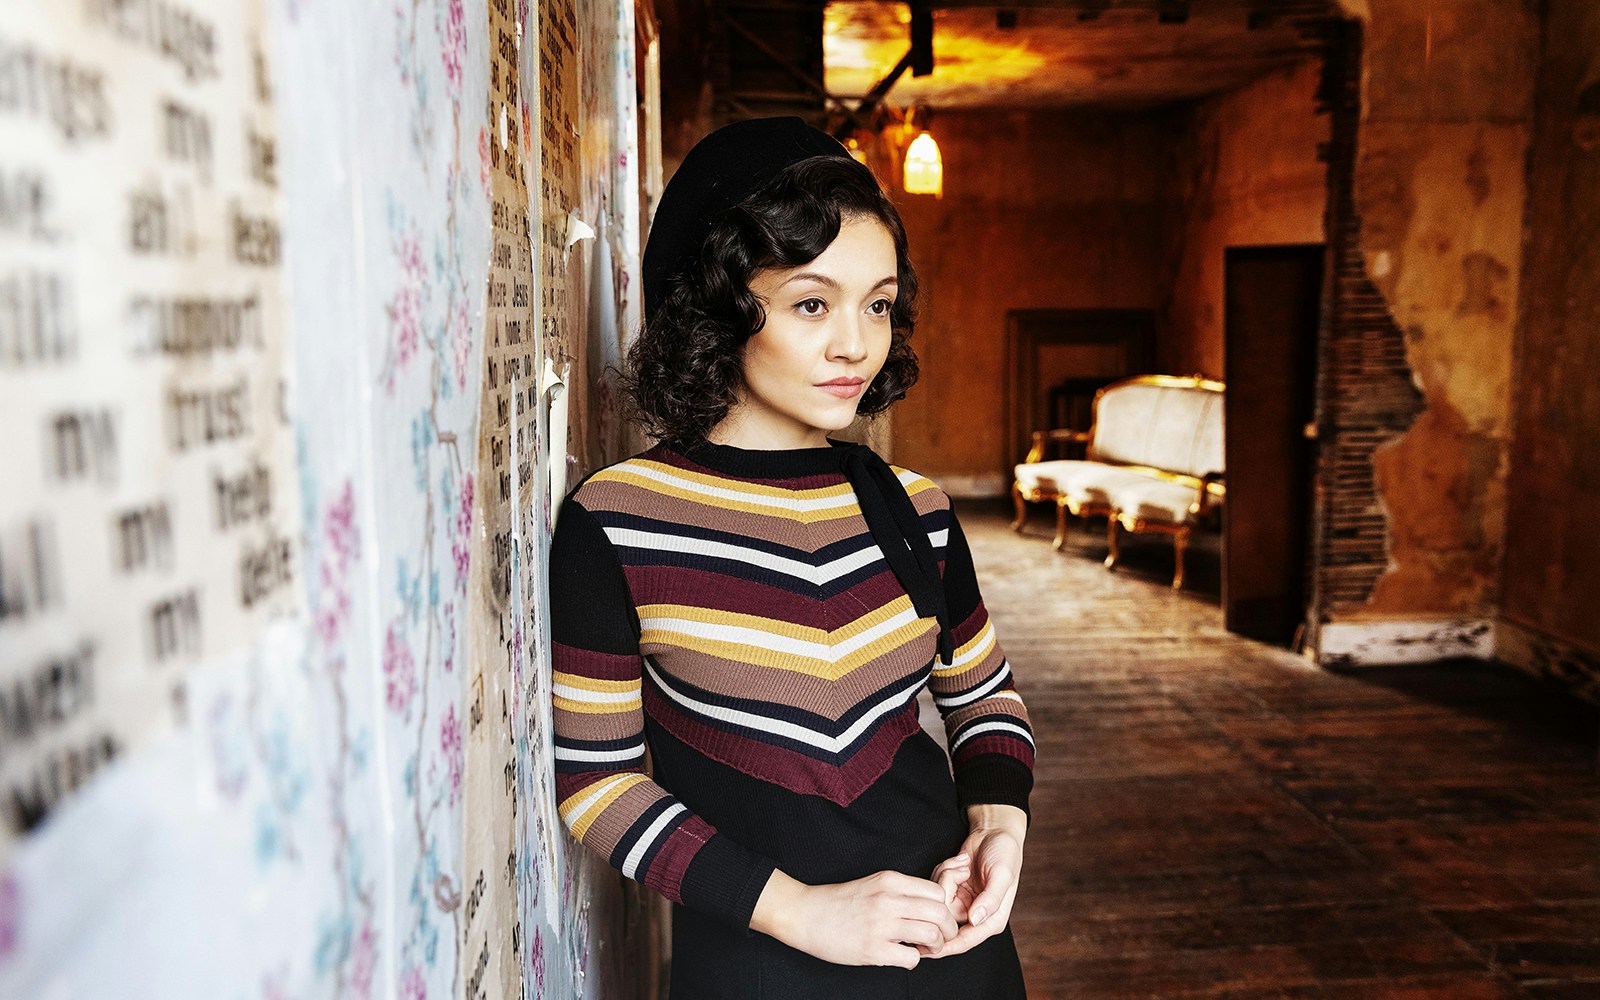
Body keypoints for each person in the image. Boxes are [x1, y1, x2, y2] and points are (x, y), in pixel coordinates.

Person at [548, 115, 1036, 999]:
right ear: (717, 305)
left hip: (951, 948)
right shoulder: (617, 523)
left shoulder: (916, 510)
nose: (857, 343)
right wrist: (804, 913)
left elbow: (984, 696)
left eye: (877, 304)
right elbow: (596, 785)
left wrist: (1000, 821)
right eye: (813, 303)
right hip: (756, 961)